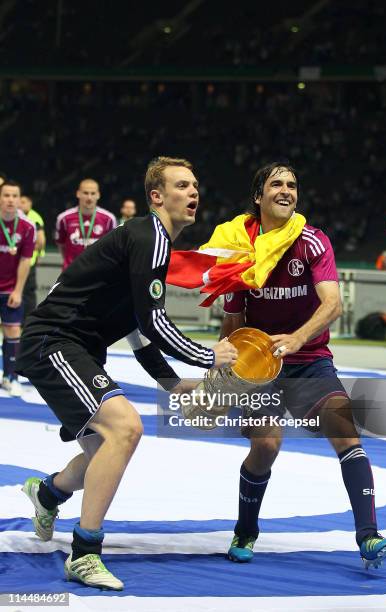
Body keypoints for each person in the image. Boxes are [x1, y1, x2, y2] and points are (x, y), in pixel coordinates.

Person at [16, 157, 238, 590]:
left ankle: (46, 494)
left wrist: (173, 385)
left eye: (195, 185)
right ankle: (84, 554)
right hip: (55, 341)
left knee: (103, 449)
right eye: (181, 185)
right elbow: (155, 323)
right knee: (125, 428)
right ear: (157, 196)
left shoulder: (150, 243)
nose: (193, 193)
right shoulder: (149, 235)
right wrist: (208, 357)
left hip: (74, 347)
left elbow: (138, 330)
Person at [219, 162, 386, 569]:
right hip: (261, 368)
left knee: (346, 433)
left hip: (311, 362)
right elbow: (233, 321)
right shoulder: (239, 250)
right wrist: (228, 374)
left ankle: (368, 537)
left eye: (292, 185)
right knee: (265, 445)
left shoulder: (312, 242)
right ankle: (246, 528)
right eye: (276, 184)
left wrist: (298, 338)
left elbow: (332, 303)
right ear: (258, 197)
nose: (286, 190)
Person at [0, 181, 35, 397]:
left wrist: (18, 290)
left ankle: (10, 377)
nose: (10, 199)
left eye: (15, 195)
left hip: (11, 289)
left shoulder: (27, 226)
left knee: (13, 331)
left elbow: (25, 261)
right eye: (6, 195)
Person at [55, 178, 117, 270]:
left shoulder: (109, 219)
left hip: (98, 273)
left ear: (98, 195)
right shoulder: (64, 218)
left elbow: (112, 248)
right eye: (85, 193)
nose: (89, 197)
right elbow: (61, 245)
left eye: (93, 193)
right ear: (78, 194)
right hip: (71, 273)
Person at [19, 195, 46, 320]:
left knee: (28, 293)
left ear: (30, 203)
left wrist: (35, 252)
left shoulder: (34, 217)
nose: (20, 204)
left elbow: (41, 241)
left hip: (29, 261)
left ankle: (27, 321)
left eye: (23, 202)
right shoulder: (15, 215)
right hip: (14, 262)